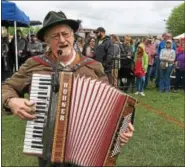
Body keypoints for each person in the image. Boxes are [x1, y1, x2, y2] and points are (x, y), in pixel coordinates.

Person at [2, 11, 134, 167]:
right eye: (55, 36)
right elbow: (7, 87)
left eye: (66, 34)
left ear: (73, 36)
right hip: (47, 148)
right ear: (46, 40)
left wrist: (123, 128)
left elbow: (112, 105)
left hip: (88, 148)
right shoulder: (35, 64)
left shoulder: (92, 67)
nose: (62, 40)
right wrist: (10, 101)